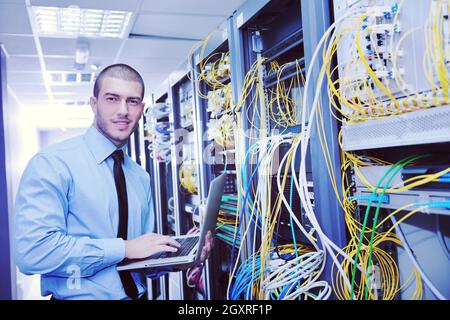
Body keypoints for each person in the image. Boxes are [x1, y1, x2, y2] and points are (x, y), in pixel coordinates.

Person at [13, 64, 212, 300]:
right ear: (93, 103)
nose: (123, 110)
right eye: (112, 98)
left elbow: (138, 258)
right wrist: (124, 247)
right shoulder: (52, 164)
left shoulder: (139, 176)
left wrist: (180, 259)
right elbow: (33, 252)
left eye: (133, 101)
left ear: (141, 109)